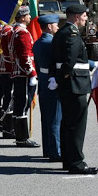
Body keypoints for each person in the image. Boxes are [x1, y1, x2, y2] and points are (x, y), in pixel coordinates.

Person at [49, 4, 98, 175]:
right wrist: (60, 79)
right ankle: (77, 163)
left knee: (68, 124)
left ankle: (68, 159)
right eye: (84, 16)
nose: (86, 19)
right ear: (75, 16)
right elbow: (69, 62)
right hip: (74, 85)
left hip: (70, 84)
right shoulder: (72, 34)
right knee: (76, 126)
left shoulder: (62, 32)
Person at [8, 6, 40, 148]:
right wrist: (32, 73)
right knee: (22, 105)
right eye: (27, 15)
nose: (29, 17)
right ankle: (22, 138)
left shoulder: (14, 31)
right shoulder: (22, 33)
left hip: (18, 72)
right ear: (22, 18)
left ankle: (19, 134)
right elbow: (25, 55)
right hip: (23, 73)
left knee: (19, 105)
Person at [33, 14, 62, 161]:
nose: (58, 27)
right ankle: (55, 151)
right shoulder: (52, 43)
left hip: (43, 82)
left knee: (46, 118)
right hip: (52, 82)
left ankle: (48, 149)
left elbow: (38, 66)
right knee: (55, 118)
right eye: (56, 25)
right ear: (50, 27)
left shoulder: (37, 43)